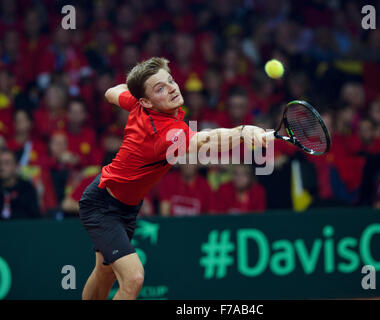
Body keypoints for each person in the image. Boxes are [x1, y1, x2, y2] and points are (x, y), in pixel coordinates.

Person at [78, 57, 267, 300]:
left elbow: (111, 91)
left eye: (170, 81)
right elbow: (205, 140)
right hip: (102, 205)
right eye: (160, 89)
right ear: (147, 101)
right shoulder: (166, 133)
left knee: (105, 272)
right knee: (133, 278)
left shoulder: (140, 105)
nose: (172, 88)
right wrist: (242, 132)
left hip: (124, 207)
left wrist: (135, 92)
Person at [0, 149, 40, 219]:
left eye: (6, 163)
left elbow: (35, 217)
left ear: (16, 166)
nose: (1, 167)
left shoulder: (27, 188)